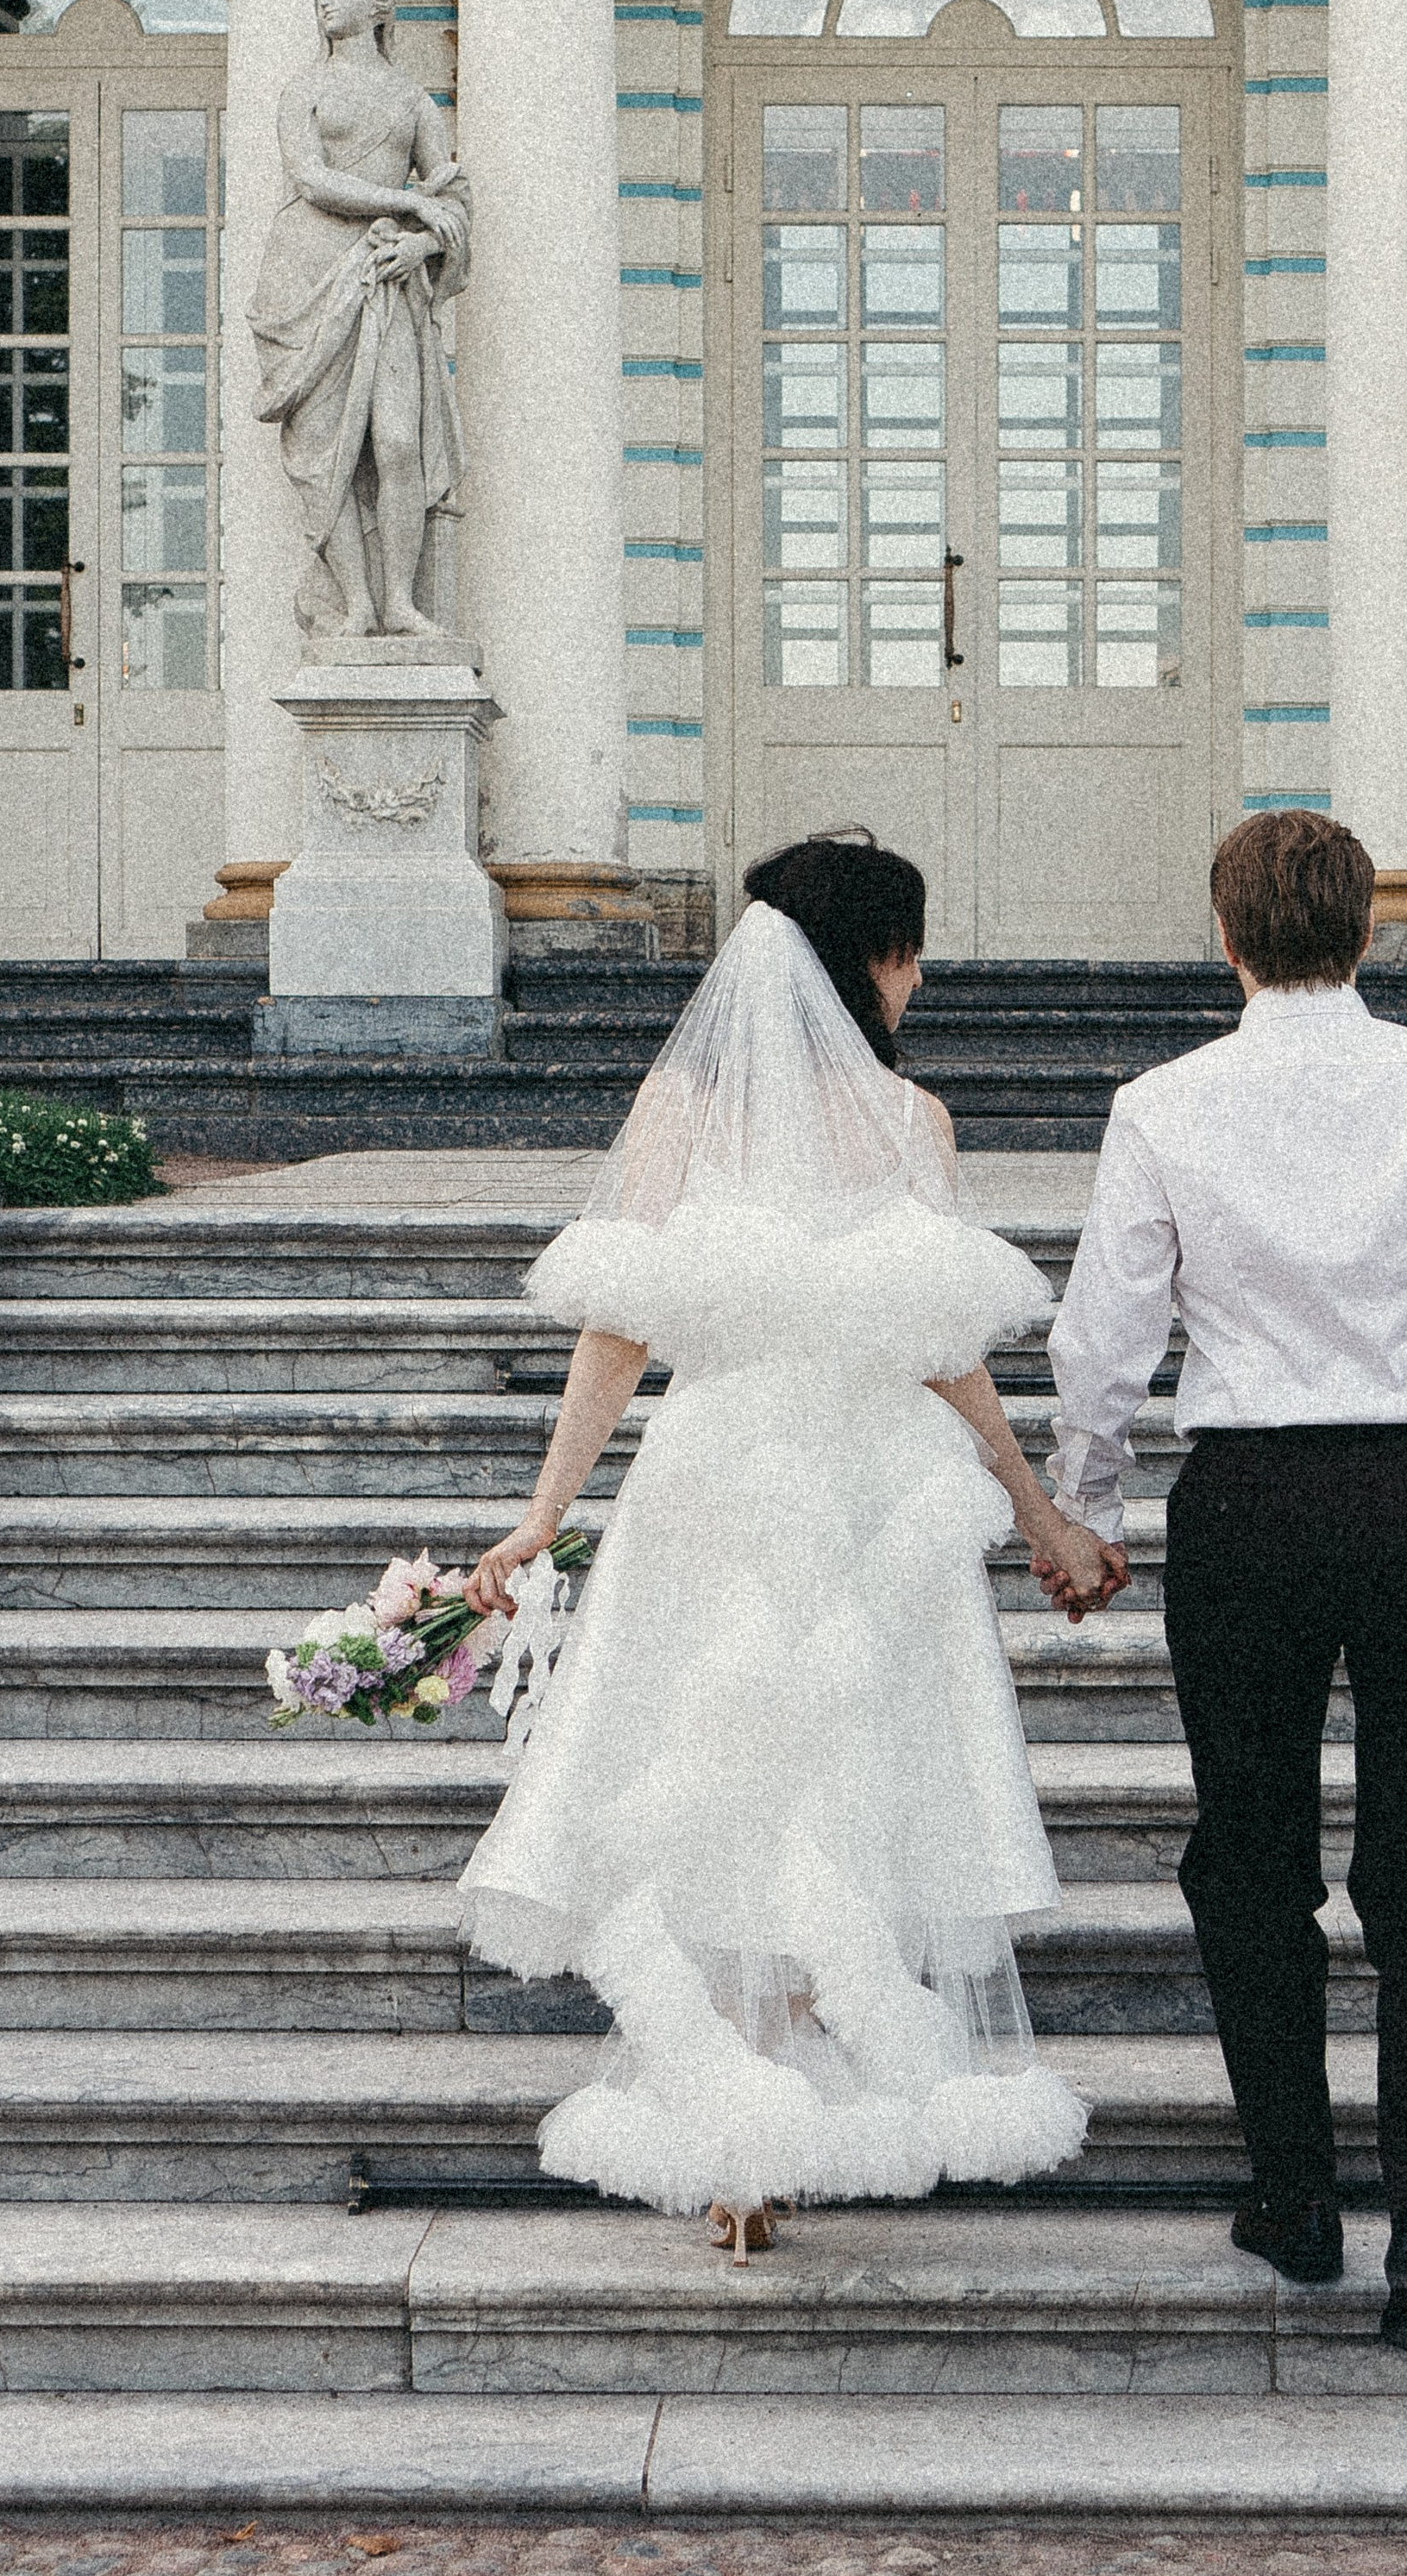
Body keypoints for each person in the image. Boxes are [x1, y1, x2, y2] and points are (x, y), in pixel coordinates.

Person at [457, 830, 1112, 2259]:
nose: (920, 974)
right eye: (909, 948)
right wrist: (1036, 1507)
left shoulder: (677, 1115)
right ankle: (788, 2100)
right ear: (870, 959)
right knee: (847, 1787)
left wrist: (545, 1516)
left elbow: (617, 1336)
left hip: (717, 1475)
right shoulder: (910, 1123)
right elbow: (946, 1354)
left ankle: (741, 2143)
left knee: (720, 1783)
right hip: (868, 1486)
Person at [1041, 809, 1407, 2355]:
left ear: (1225, 939)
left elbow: (1103, 1345)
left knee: (1254, 1857)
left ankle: (1296, 2196)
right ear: (1370, 935)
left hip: (1253, 1506)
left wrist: (1084, 1507)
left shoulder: (1161, 1106)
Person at [248, 0, 468, 639]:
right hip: (307, 273)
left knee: (398, 443)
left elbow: (454, 199)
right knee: (323, 450)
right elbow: (310, 179)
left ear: (379, 4)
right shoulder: (302, 90)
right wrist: (404, 204)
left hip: (386, 277)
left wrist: (421, 243)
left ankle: (401, 601)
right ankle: (358, 605)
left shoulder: (411, 99)